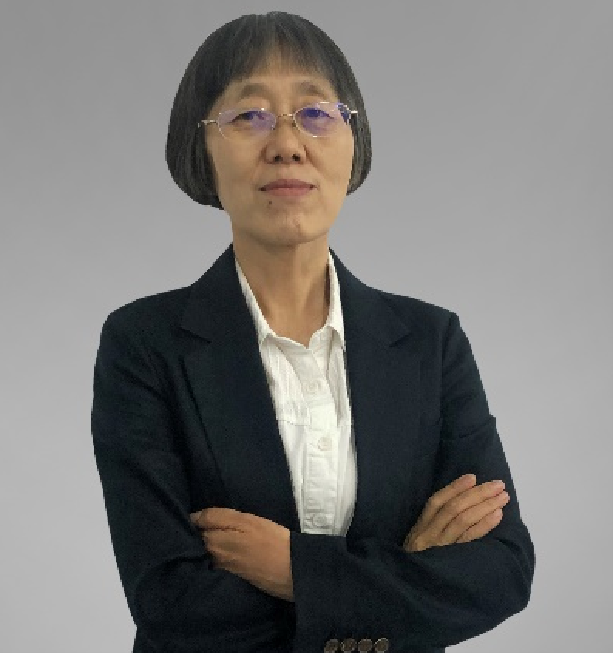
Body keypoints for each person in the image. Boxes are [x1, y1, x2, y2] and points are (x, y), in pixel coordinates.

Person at [90, 11, 535, 653]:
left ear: (354, 143)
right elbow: (171, 602)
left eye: (317, 113)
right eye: (250, 115)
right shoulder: (144, 344)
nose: (287, 144)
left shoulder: (430, 342)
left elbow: (501, 572)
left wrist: (294, 571)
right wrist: (401, 579)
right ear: (201, 150)